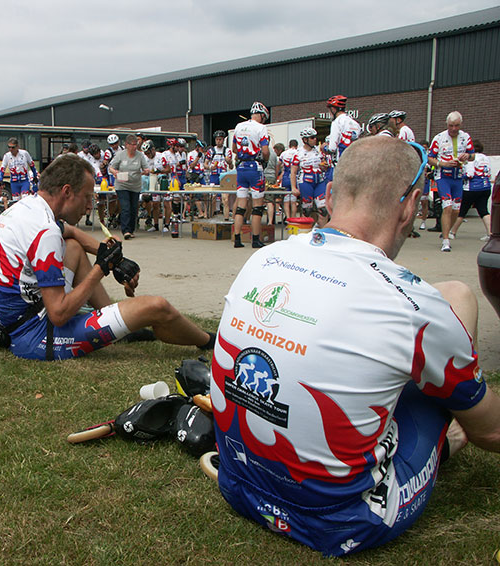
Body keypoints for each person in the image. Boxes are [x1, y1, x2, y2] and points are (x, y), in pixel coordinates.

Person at [212, 136, 498, 557]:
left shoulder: (266, 257)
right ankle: (442, 440)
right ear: (411, 206)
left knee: (440, 308)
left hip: (238, 486)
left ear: (327, 196)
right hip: (343, 520)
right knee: (455, 309)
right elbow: (491, 431)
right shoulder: (411, 304)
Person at [0, 154, 216, 361]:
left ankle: (120, 328)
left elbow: (70, 232)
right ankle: (208, 341)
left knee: (72, 246)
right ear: (67, 192)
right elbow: (59, 314)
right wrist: (101, 268)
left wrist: (114, 260)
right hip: (32, 336)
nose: (89, 206)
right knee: (157, 307)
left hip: (6, 323)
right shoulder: (46, 231)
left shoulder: (27, 207)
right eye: (87, 197)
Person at [428, 111, 474, 252]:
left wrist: (468, 156)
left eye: (457, 126)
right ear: (447, 124)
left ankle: (446, 231)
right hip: (443, 177)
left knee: (456, 209)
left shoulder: (465, 137)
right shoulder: (439, 138)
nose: (454, 129)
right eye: (451, 126)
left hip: (458, 177)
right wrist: (442, 164)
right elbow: (430, 158)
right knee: (447, 207)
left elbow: (472, 156)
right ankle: (446, 240)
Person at [232, 102, 271, 248]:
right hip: (255, 167)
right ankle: (255, 239)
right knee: (257, 207)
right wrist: (264, 161)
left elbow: (234, 148)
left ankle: (237, 239)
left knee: (241, 206)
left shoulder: (238, 126)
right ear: (261, 115)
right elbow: (266, 151)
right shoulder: (261, 128)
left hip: (241, 167)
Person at [109, 134, 151, 239]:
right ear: (127, 145)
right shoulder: (120, 155)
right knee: (126, 207)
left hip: (135, 185)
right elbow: (111, 167)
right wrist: (115, 172)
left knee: (133, 208)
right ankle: (125, 230)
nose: (134, 147)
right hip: (122, 185)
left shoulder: (140, 156)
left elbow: (146, 168)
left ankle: (131, 229)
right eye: (132, 145)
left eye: (136, 145)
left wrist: (146, 171)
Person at [450, 140, 491, 241]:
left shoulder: (471, 159)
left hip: (471, 188)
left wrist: (460, 176)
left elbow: (470, 174)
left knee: (462, 210)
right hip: (485, 186)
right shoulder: (485, 158)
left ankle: (452, 232)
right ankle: (490, 233)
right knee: (483, 210)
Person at [290, 127, 329, 227]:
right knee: (307, 210)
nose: (315, 139)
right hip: (306, 182)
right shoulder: (298, 154)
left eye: (315, 137)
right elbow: (293, 172)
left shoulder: (319, 152)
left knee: (324, 210)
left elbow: (325, 167)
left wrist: (324, 167)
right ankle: (306, 232)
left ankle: (320, 232)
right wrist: (293, 187)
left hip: (319, 181)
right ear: (305, 140)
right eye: (312, 138)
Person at [0, 137, 38, 204]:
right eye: (9, 147)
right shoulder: (7, 156)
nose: (11, 149)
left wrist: (35, 176)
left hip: (24, 180)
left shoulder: (24, 153)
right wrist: (1, 180)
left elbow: (32, 165)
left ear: (17, 147)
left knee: (25, 198)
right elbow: (2, 169)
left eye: (13, 147)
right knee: (16, 201)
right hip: (14, 182)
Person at [276, 140, 299, 220]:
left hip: (285, 177)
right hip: (295, 177)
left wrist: (277, 175)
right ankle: (293, 218)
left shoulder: (284, 153)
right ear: (296, 145)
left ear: (289, 145)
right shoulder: (298, 152)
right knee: (293, 201)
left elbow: (278, 164)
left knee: (286, 200)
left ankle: (288, 218)